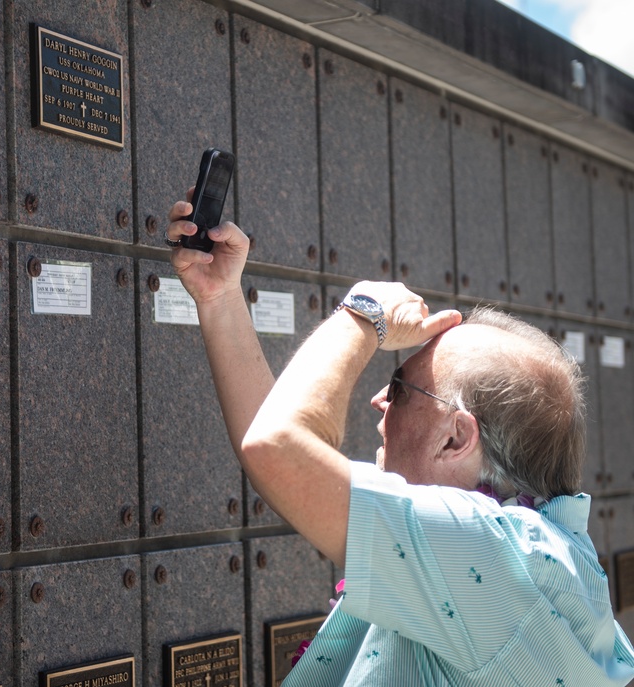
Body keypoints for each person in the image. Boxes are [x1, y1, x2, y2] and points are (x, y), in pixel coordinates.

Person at [164, 190, 634, 686]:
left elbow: (279, 450)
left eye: (400, 390)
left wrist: (365, 313)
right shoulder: (528, 551)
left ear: (456, 439)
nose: (379, 402)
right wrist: (220, 299)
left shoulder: (487, 551)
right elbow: (285, 461)